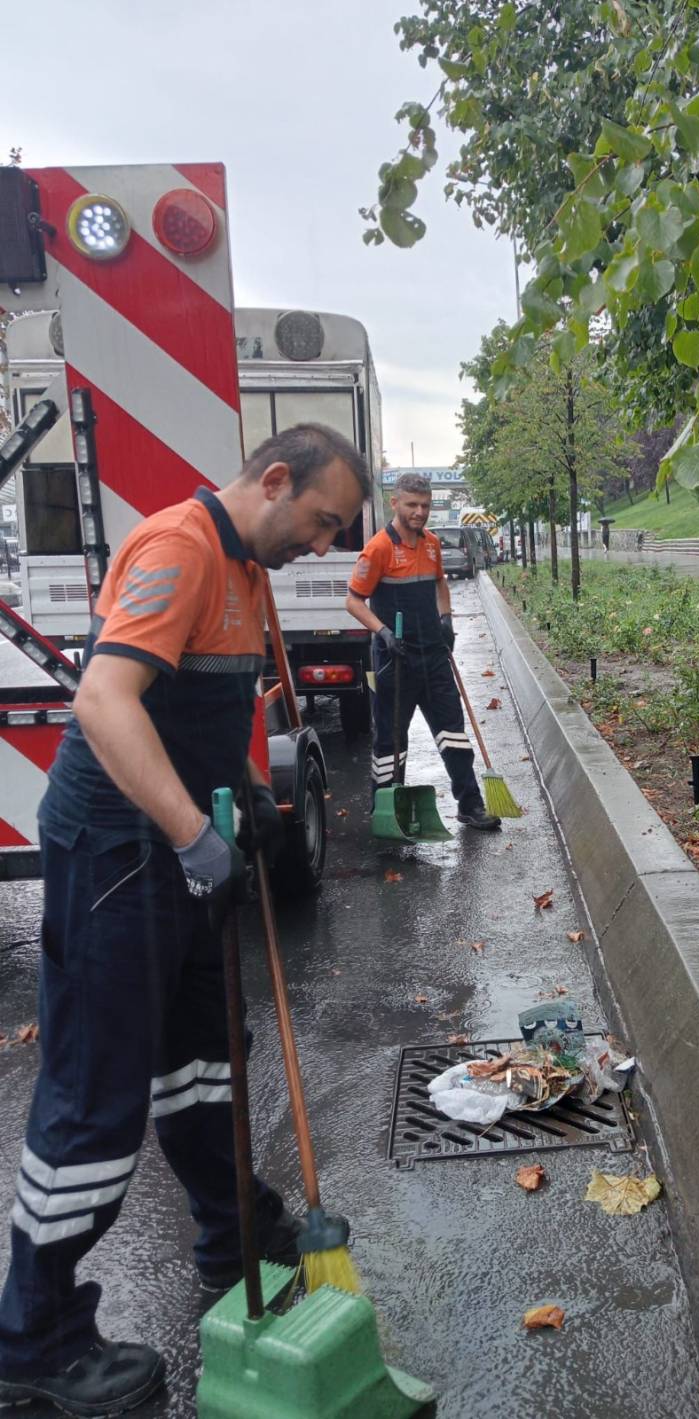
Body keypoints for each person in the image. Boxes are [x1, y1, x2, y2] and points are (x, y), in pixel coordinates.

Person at [0, 424, 370, 1417]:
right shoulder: (181, 548)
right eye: (323, 521)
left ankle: (232, 1232)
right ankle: (32, 1339)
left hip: (175, 849)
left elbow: (191, 713)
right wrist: (186, 832)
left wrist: (244, 784)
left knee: (207, 1062)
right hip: (119, 853)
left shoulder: (245, 571)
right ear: (277, 479)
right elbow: (107, 700)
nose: (326, 545)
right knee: (97, 1094)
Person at [346, 473, 501, 830]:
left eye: (425, 506)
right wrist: (383, 632)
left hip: (434, 656)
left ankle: (470, 805)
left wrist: (446, 620)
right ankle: (384, 809)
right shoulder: (379, 549)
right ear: (395, 503)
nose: (419, 512)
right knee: (391, 741)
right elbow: (353, 601)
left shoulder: (431, 544)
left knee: (453, 732)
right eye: (412, 505)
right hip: (395, 661)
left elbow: (440, 583)